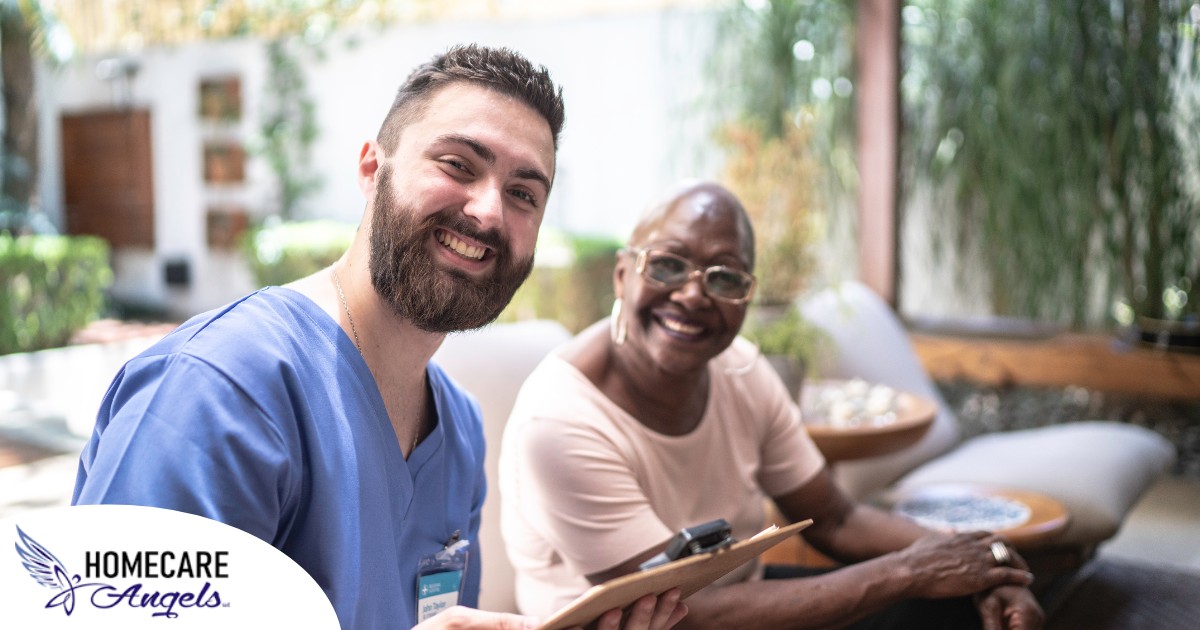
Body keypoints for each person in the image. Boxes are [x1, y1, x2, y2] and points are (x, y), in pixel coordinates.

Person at [72, 44, 686, 630]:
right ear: (372, 168)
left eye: (523, 193)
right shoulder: (219, 390)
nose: (489, 212)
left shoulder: (459, 431)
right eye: (457, 165)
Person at [499, 180, 1045, 629]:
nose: (693, 294)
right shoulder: (561, 421)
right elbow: (677, 611)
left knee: (958, 610)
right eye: (667, 265)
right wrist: (909, 572)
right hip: (655, 624)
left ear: (747, 296)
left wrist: (983, 565)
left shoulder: (741, 369)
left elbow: (836, 518)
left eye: (724, 277)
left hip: (738, 604)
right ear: (623, 274)